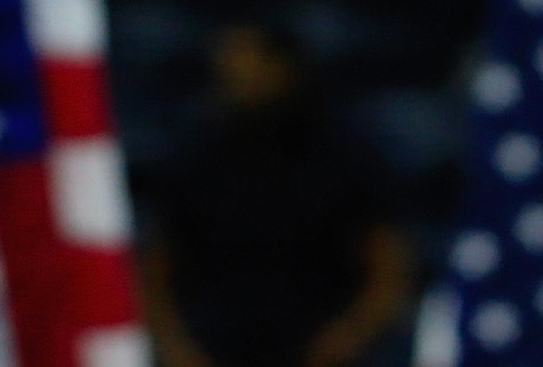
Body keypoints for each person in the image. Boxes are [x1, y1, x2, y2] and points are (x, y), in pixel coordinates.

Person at [138, 21, 412, 367]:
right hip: (215, 350)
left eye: (248, 63)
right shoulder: (196, 160)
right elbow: (156, 271)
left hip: (320, 351)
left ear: (286, 69)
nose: (234, 76)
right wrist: (178, 351)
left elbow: (389, 267)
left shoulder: (345, 159)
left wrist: (348, 337)